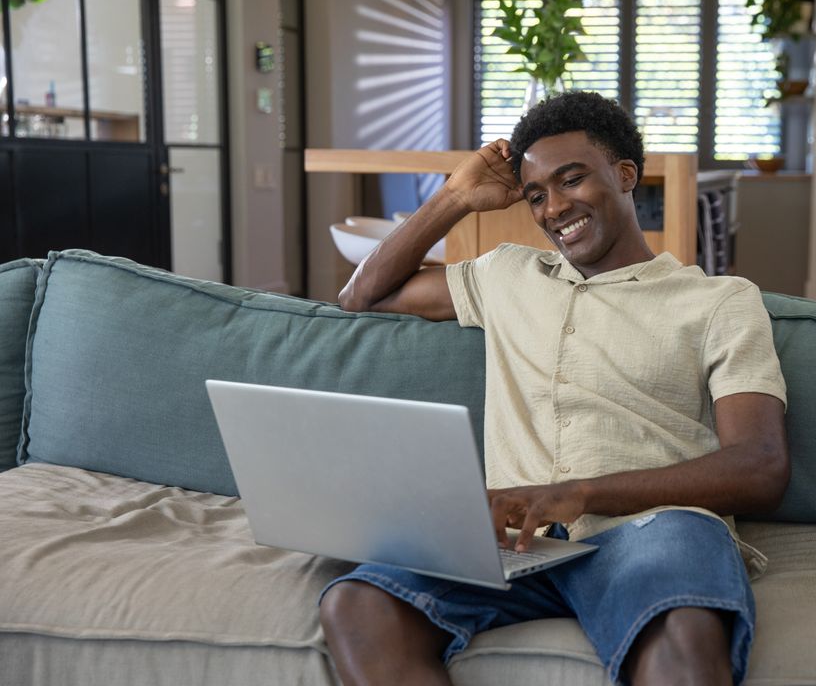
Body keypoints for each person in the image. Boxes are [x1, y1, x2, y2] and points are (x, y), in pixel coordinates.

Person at [323, 91, 789, 686]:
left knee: (681, 633)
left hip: (654, 528)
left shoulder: (719, 300)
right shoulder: (506, 274)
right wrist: (457, 196)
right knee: (359, 604)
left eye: (571, 181)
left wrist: (579, 492)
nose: (553, 209)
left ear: (625, 176)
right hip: (515, 544)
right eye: (536, 195)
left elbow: (761, 467)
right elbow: (360, 296)